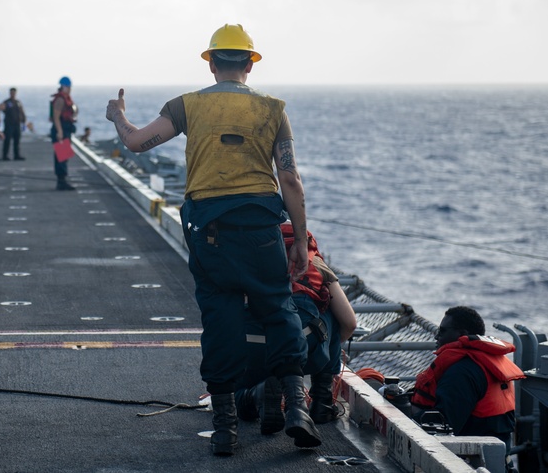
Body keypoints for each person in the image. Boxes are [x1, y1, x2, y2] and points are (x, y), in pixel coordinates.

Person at [105, 23, 320, 455]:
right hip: (262, 231)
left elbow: (137, 143)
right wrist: (299, 239)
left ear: (211, 63)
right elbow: (290, 179)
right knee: (279, 310)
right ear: (250, 65)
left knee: (221, 318)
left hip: (211, 234)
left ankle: (225, 430)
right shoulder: (274, 109)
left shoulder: (187, 106)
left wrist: (118, 116)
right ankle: (297, 407)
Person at [236, 222, 358, 434]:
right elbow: (350, 323)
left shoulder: (244, 260)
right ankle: (322, 401)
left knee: (239, 396)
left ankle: (256, 394)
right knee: (330, 313)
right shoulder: (314, 263)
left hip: (255, 345)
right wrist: (328, 344)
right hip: (303, 343)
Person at [409, 306, 524, 448]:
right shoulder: (486, 361)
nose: (437, 336)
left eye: (442, 331)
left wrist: (407, 414)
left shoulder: (461, 373)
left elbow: (444, 426)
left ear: (462, 334)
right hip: (496, 450)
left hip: (471, 455)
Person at [50, 76, 77, 191]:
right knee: (61, 157)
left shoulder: (67, 98)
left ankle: (62, 180)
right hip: (61, 130)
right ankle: (61, 181)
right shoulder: (60, 100)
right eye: (68, 87)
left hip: (66, 129)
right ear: (63, 87)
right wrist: (60, 132)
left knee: (64, 156)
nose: (70, 89)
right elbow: (56, 117)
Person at [1, 87, 26, 160]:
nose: (13, 94)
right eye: (11, 93)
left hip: (17, 124)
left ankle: (16, 155)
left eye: (14, 93)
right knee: (7, 140)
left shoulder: (18, 102)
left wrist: (23, 120)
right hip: (9, 124)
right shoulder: (7, 102)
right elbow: (2, 109)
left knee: (17, 140)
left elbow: (21, 111)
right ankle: (5, 155)